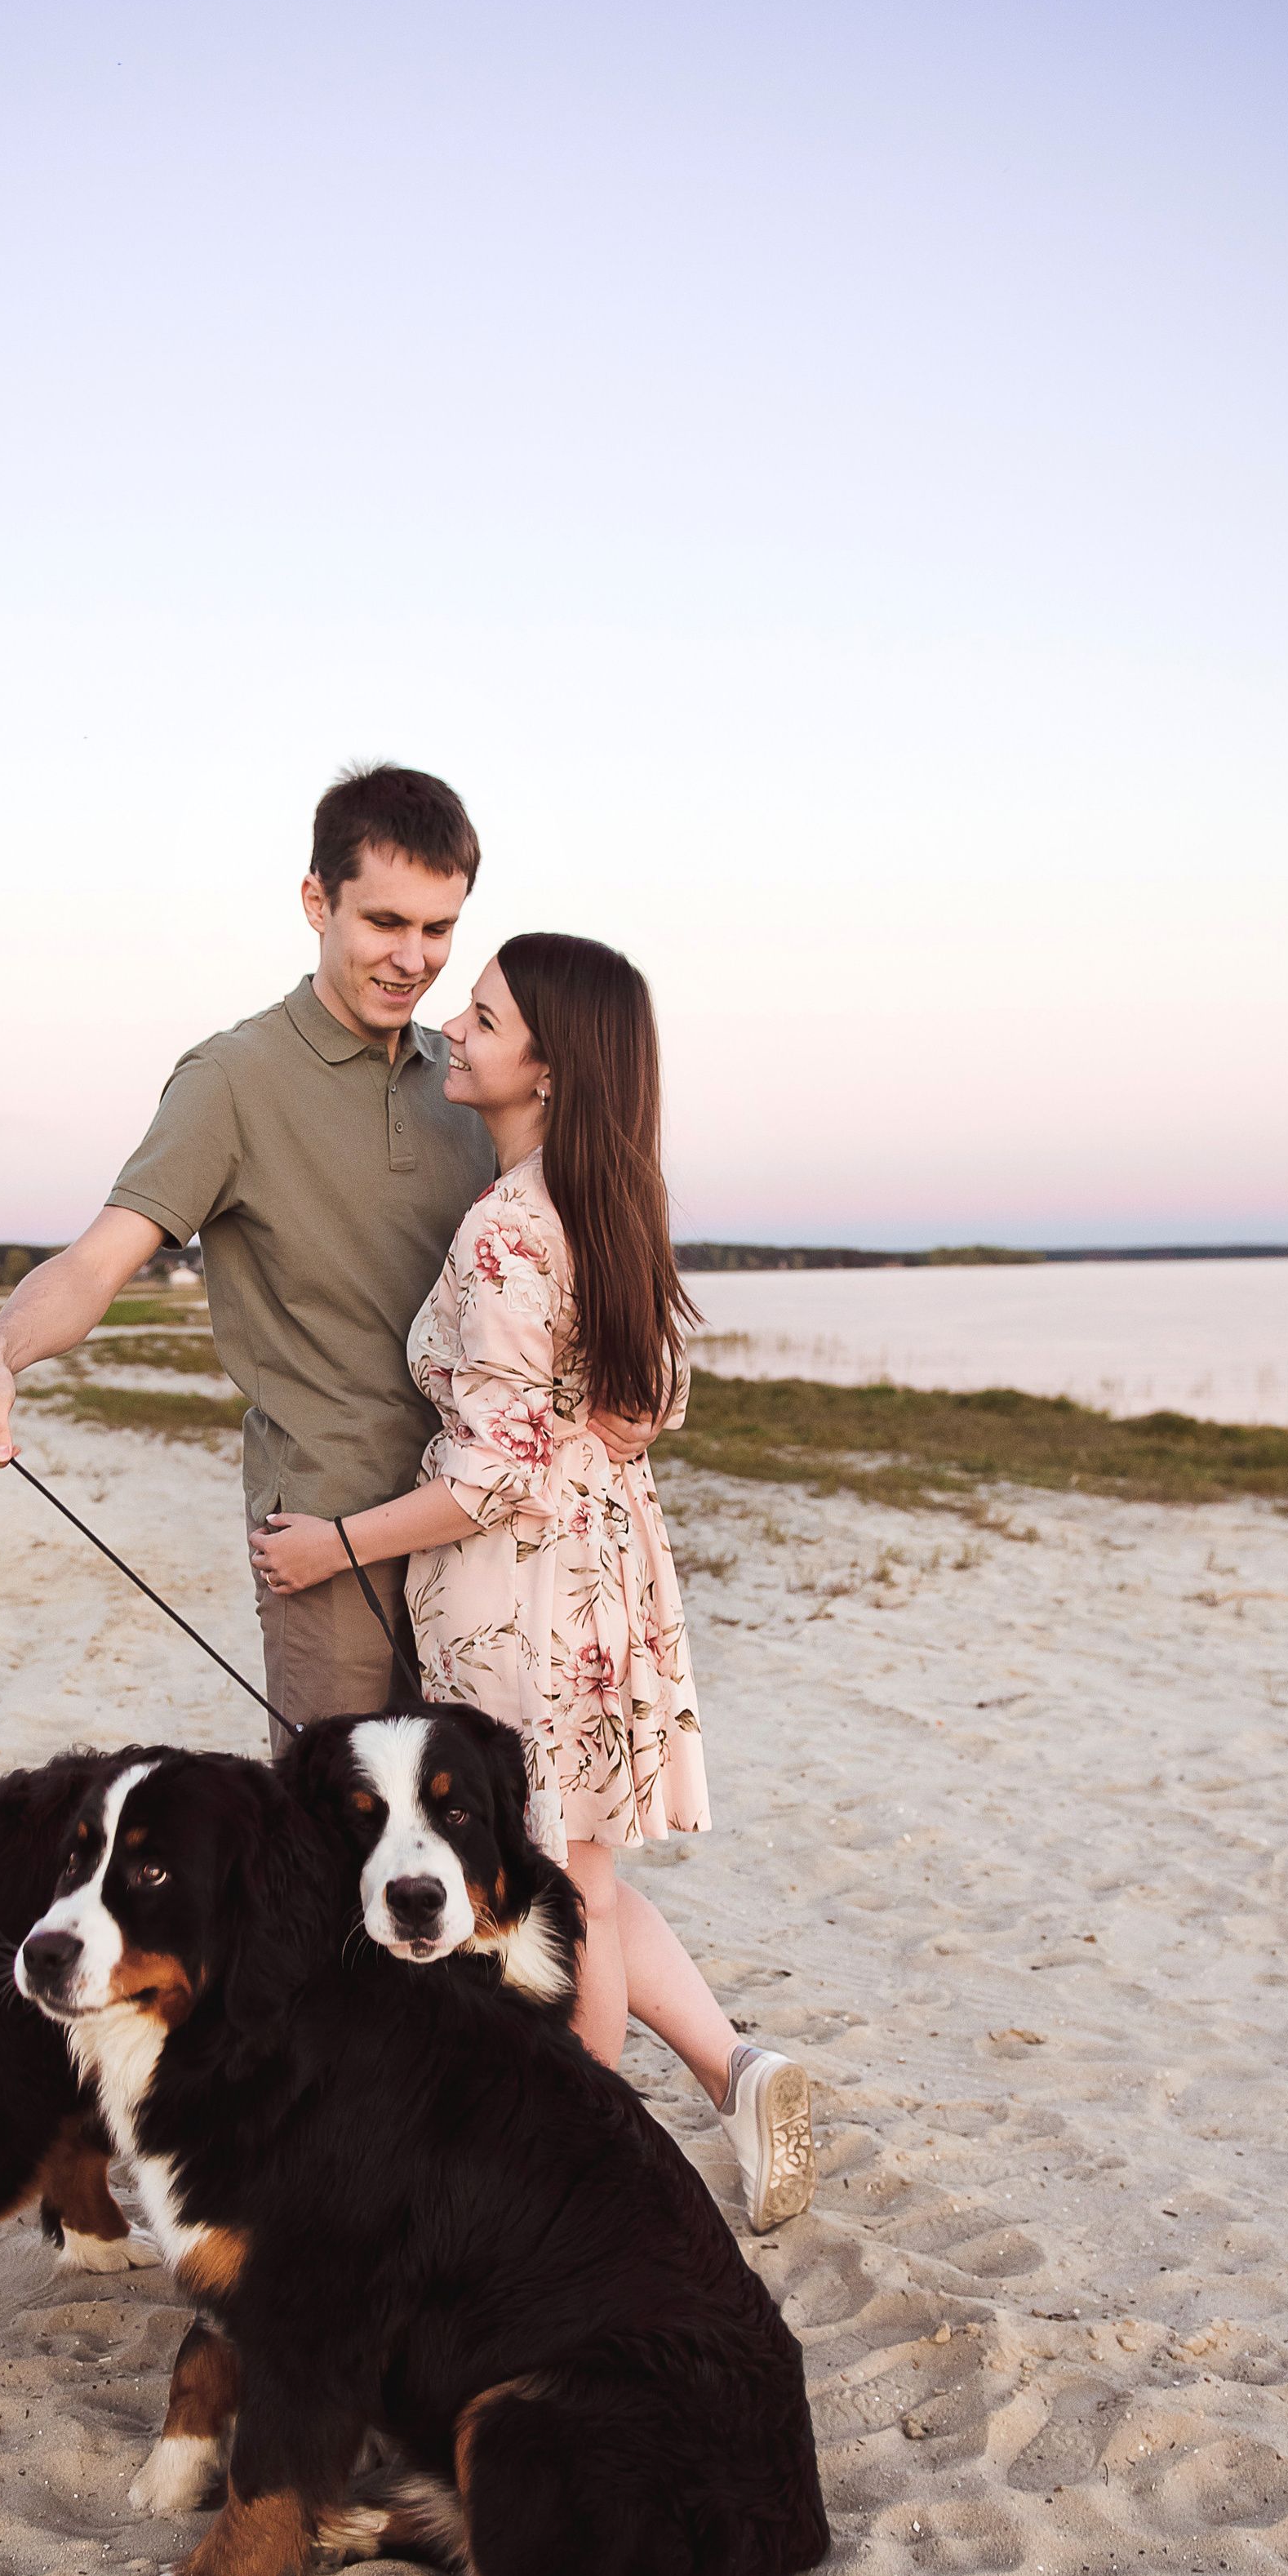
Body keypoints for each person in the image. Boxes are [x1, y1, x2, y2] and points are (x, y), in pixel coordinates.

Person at [248, 933, 815, 2233]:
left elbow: (491, 1479)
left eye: (486, 1014)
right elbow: (648, 1400)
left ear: (547, 1068)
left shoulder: (508, 1228)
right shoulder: (610, 1198)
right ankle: (723, 2072)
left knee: (569, 1900)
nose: (454, 1021)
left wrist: (332, 1541)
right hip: (612, 1581)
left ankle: (582, 2168)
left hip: (526, 1593)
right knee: (591, 1883)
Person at [0, 761, 648, 1733]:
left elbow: (570, 1260)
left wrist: (634, 1391)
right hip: (322, 1536)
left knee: (476, 1854)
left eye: (438, 928)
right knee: (331, 1844)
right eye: (384, 923)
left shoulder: (473, 1078)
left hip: (486, 1534)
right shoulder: (231, 1079)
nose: (413, 958)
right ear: (317, 901)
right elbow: (99, 1261)